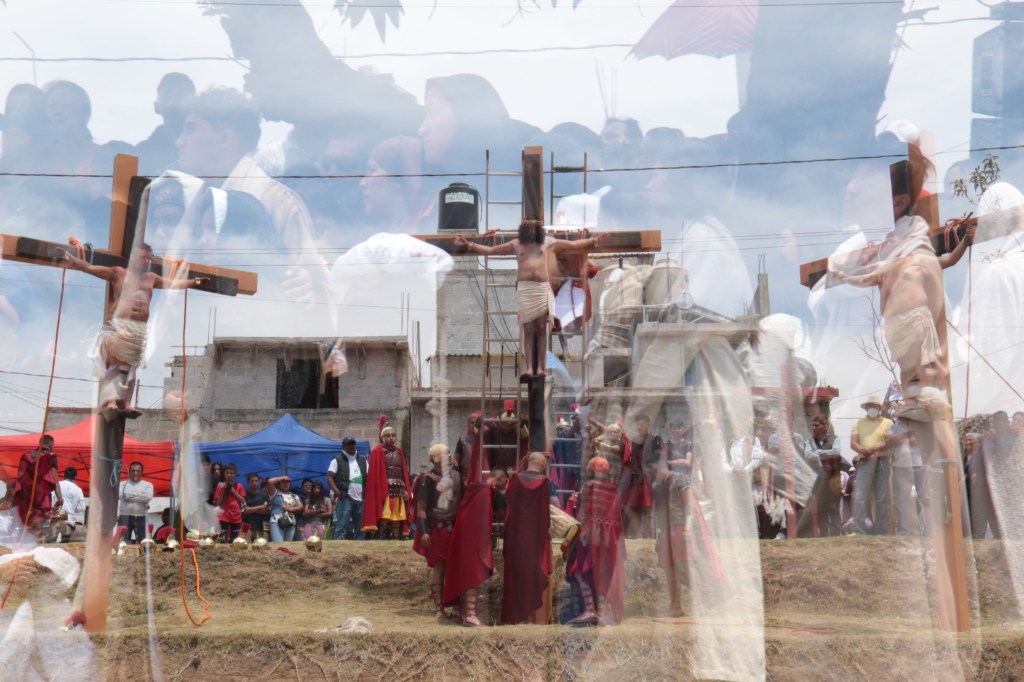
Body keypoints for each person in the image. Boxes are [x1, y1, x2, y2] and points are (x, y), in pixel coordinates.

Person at [61, 242, 209, 418]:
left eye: (148, 258)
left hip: (138, 330)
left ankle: (126, 403)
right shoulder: (118, 273)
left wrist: (195, 281)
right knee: (115, 365)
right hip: (118, 325)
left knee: (131, 369)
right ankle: (110, 401)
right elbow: (90, 268)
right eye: (142, 257)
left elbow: (174, 283)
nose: (146, 261)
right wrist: (71, 258)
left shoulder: (151, 278)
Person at [454, 220, 606, 379]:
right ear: (525, 231)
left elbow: (573, 245)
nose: (533, 231)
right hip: (526, 289)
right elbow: (491, 250)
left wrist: (593, 241)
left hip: (542, 288)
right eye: (530, 229)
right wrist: (469, 244)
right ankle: (529, 368)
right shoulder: (516, 244)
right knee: (528, 330)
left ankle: (540, 368)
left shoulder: (548, 242)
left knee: (541, 329)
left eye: (535, 229)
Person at [564, 456, 626, 626]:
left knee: (580, 569)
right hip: (609, 540)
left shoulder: (589, 487)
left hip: (591, 537)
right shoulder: (614, 489)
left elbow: (584, 514)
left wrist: (580, 532)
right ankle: (602, 613)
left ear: (591, 469)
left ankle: (590, 609)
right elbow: (617, 516)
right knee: (604, 573)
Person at [501, 452, 555, 625]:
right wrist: (547, 531)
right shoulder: (544, 483)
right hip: (535, 538)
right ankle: (531, 618)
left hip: (516, 536)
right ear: (542, 465)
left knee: (517, 574)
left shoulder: (515, 481)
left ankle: (518, 617)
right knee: (533, 574)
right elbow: (546, 512)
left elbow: (508, 509)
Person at [413, 444, 463, 622]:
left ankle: (457, 607)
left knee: (457, 567)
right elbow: (421, 508)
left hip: (456, 527)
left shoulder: (458, 475)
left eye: (449, 453)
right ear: (435, 459)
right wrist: (423, 531)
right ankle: (438, 608)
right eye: (444, 453)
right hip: (438, 528)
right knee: (439, 566)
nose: (449, 455)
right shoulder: (427, 479)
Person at [135, 72, 196, 176]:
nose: (173, 101)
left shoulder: (205, 149)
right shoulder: (141, 154)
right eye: (167, 95)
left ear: (193, 105)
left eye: (181, 96)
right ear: (156, 106)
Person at [850, 396, 894, 535]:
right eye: (870, 406)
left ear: (879, 408)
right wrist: (864, 452)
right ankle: (859, 531)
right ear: (866, 408)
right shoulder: (859, 423)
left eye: (874, 406)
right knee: (860, 497)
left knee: (882, 498)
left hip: (882, 461)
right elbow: (853, 443)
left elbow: (890, 441)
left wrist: (873, 449)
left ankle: (881, 531)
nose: (872, 408)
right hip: (864, 461)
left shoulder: (888, 422)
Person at [362, 419, 412, 539]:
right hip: (384, 488)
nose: (391, 438)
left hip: (399, 488)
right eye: (388, 436)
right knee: (384, 515)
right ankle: (379, 539)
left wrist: (406, 489)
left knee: (397, 517)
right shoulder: (378, 452)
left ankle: (396, 539)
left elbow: (403, 473)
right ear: (383, 438)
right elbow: (375, 475)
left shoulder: (399, 452)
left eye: (393, 436)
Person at [13, 435, 60, 535]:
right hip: (42, 496)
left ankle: (26, 540)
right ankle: (33, 541)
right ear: (51, 445)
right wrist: (60, 497)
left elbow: (20, 475)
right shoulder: (50, 457)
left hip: (26, 497)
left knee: (27, 524)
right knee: (38, 527)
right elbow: (54, 477)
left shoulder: (26, 455)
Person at [624, 414, 659, 538]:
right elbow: (633, 461)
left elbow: (658, 460)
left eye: (642, 424)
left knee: (649, 510)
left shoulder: (655, 439)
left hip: (649, 478)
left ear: (648, 425)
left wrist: (655, 479)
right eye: (637, 424)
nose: (639, 427)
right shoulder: (635, 440)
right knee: (629, 508)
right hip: (637, 479)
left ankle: (650, 537)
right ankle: (639, 535)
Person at [328, 436, 368, 540]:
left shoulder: (363, 461)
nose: (351, 446)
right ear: (343, 447)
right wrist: (337, 493)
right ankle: (339, 547)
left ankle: (359, 547)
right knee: (341, 527)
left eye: (353, 444)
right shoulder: (337, 460)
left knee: (360, 528)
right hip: (345, 498)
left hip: (360, 499)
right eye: (349, 444)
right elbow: (329, 477)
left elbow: (368, 478)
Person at [118, 461, 154, 544]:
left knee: (143, 542)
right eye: (133, 471)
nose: (135, 473)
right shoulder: (122, 484)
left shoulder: (148, 485)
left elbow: (148, 497)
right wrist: (140, 495)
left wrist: (128, 496)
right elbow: (120, 495)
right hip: (125, 516)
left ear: (142, 472)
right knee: (123, 542)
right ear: (129, 472)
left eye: (138, 471)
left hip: (141, 516)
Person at [51, 466, 86, 542]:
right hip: (69, 520)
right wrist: (72, 508)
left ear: (64, 475)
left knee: (52, 541)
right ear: (75, 477)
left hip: (55, 517)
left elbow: (51, 500)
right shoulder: (78, 490)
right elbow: (82, 508)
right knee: (65, 542)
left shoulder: (57, 485)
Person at [214, 463, 246, 542]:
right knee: (221, 540)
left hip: (236, 515)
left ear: (235, 474)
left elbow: (243, 501)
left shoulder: (239, 485)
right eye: (227, 473)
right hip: (223, 515)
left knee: (235, 540)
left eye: (231, 473)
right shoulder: (220, 486)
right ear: (224, 473)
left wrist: (233, 490)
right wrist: (223, 492)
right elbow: (217, 503)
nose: (229, 475)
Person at [267, 475, 304, 542]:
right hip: (277, 520)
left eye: (288, 482)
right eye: (283, 482)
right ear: (279, 484)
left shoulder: (294, 496)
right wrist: (282, 477)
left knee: (288, 545)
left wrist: (291, 509)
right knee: (278, 544)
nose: (286, 484)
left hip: (290, 521)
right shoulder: (274, 493)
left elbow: (301, 506)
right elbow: (270, 481)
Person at [242, 472, 270, 540]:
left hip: (261, 528)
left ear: (259, 481)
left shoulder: (264, 495)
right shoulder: (244, 494)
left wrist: (250, 509)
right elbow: (245, 510)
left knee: (261, 546)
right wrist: (260, 507)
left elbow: (266, 511)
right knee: (245, 546)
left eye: (256, 481)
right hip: (246, 528)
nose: (254, 483)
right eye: (252, 481)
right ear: (248, 482)